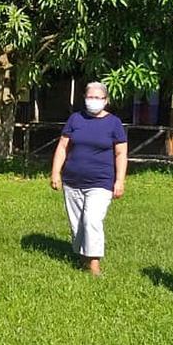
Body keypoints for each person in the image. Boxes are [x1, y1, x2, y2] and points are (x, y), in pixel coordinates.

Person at [49, 81, 127, 276]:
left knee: (91, 220)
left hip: (101, 182)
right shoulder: (75, 119)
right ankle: (83, 258)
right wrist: (55, 172)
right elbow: (62, 147)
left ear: (106, 100)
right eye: (90, 97)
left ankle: (94, 266)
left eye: (98, 97)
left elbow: (120, 154)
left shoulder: (114, 123)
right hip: (72, 181)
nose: (93, 101)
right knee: (77, 223)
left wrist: (120, 181)